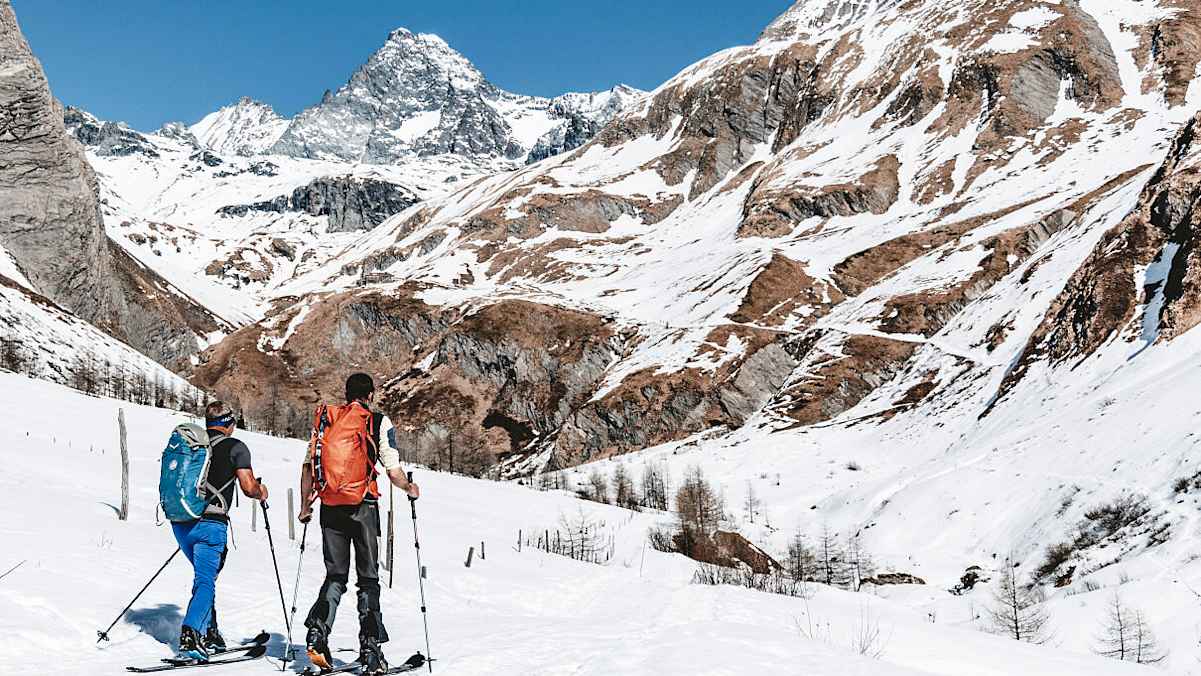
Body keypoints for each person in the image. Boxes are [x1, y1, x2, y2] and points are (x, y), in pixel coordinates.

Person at [300, 373, 420, 675]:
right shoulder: (377, 421)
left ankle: (317, 632)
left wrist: (305, 506)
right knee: (368, 580)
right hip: (363, 508)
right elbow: (392, 471)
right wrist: (409, 488)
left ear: (347, 393)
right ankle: (370, 650)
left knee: (335, 576)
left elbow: (308, 466)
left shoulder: (327, 420)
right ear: (370, 394)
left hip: (329, 507)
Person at [174, 401, 268, 661]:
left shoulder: (194, 446)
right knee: (205, 580)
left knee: (205, 578)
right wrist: (262, 491)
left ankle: (210, 632)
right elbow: (249, 487)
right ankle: (191, 636)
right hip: (211, 525)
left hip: (182, 523)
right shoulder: (235, 447)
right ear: (229, 424)